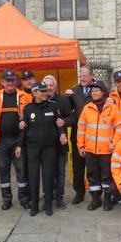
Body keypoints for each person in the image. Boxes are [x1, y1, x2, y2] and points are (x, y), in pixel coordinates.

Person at [16, 83, 66, 216]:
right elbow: (23, 129)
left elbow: (59, 123)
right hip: (32, 147)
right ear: (34, 93)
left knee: (48, 176)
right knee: (33, 176)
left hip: (49, 147)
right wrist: (19, 145)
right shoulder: (28, 109)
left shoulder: (53, 106)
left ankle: (48, 205)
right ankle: (34, 206)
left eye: (46, 91)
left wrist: (62, 133)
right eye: (42, 91)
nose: (45, 93)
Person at [77, 80, 121, 211]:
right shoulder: (87, 108)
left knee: (107, 176)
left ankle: (107, 201)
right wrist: (80, 146)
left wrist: (114, 143)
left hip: (106, 151)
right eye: (92, 91)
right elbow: (81, 128)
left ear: (103, 92)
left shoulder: (112, 108)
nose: (94, 93)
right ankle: (95, 200)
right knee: (92, 176)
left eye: (97, 90)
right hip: (90, 150)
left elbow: (120, 127)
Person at [0, 69, 30, 210]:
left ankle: (23, 199)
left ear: (15, 81)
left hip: (18, 140)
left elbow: (27, 118)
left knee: (21, 170)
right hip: (2, 140)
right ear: (2, 82)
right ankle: (7, 199)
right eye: (7, 80)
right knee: (3, 170)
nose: (10, 83)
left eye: (12, 80)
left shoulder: (23, 96)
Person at [64, 65, 94, 204]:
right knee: (78, 165)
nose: (82, 78)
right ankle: (79, 193)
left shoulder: (98, 89)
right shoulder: (74, 91)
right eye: (80, 76)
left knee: (94, 165)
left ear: (91, 76)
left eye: (85, 76)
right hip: (77, 135)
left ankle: (96, 192)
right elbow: (66, 110)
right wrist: (66, 96)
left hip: (95, 135)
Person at [43, 75, 73, 209]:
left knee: (60, 172)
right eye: (47, 85)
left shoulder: (62, 101)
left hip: (60, 144)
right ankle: (48, 196)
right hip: (44, 146)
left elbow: (73, 117)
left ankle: (59, 197)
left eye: (51, 85)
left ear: (55, 87)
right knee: (47, 172)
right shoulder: (39, 101)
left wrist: (65, 122)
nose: (49, 87)